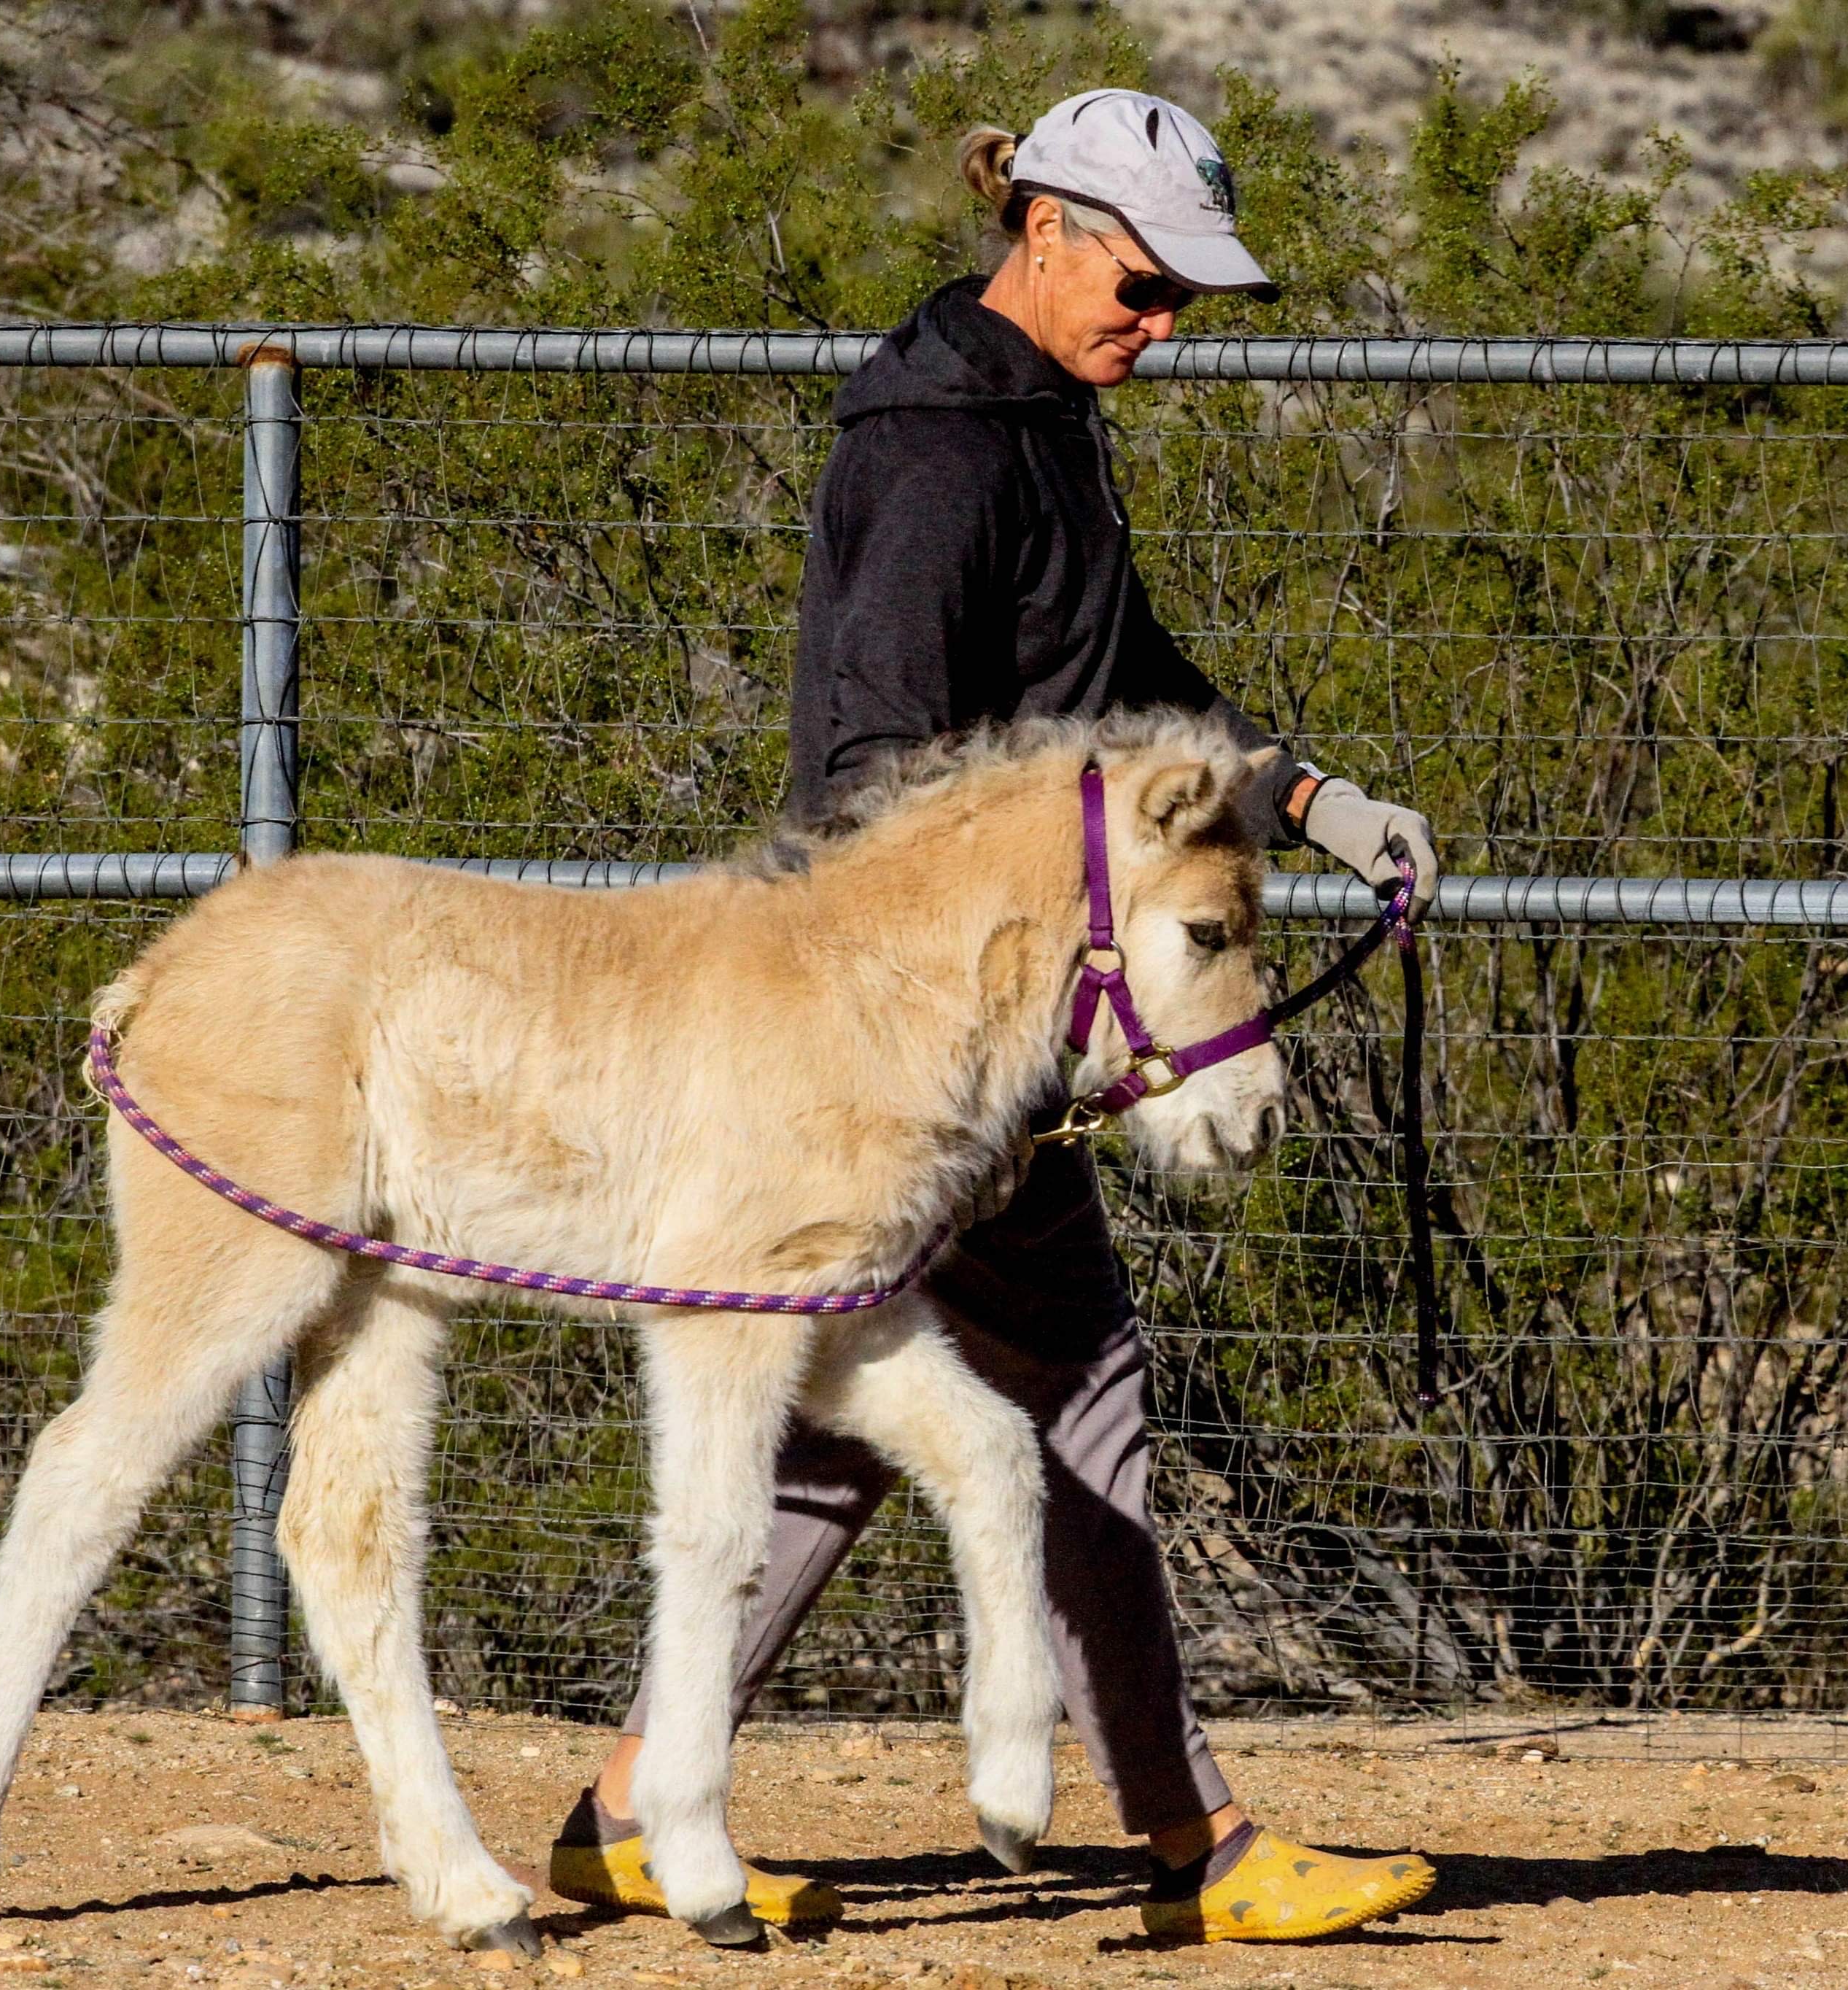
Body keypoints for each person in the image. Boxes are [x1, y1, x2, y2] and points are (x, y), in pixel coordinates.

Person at [546, 88, 1443, 1946]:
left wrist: (1303, 797)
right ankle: (1195, 1838)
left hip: (966, 1025)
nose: (1164, 324)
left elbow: (1123, 677)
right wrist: (1001, 998)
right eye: (1144, 283)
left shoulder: (1032, 418)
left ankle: (629, 1803)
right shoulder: (947, 457)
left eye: (1184, 296)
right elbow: (870, 768)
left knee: (832, 1434)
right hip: (921, 1037)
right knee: (1079, 1387)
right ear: (1043, 231)